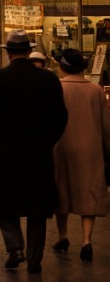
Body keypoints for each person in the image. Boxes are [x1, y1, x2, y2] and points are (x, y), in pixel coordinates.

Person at [0, 30, 67, 274]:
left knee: (7, 205)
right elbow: (60, 117)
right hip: (38, 152)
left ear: (8, 53)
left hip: (5, 153)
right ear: (29, 52)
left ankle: (15, 246)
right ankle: (35, 258)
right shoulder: (48, 80)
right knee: (37, 208)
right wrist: (48, 140)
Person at [52, 48, 110, 261]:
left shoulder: (57, 88)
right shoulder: (96, 90)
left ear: (62, 66)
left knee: (61, 191)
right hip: (90, 149)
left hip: (62, 146)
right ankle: (86, 240)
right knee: (89, 193)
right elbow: (106, 125)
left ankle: (63, 235)